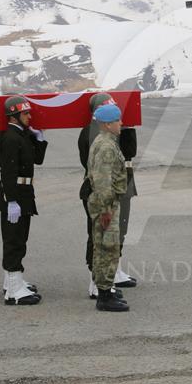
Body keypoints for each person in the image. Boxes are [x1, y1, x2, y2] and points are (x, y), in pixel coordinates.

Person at [79, 93, 138, 299]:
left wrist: (128, 128)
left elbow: (130, 152)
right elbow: (99, 174)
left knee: (116, 236)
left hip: (117, 189)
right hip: (103, 194)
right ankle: (97, 282)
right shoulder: (93, 136)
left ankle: (111, 274)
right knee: (100, 240)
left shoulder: (112, 135)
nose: (120, 122)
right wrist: (105, 205)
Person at [0, 95, 47, 305]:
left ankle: (12, 282)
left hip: (24, 192)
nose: (29, 116)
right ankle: (13, 292)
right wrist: (12, 201)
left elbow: (37, 160)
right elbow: (8, 172)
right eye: (25, 113)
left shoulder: (21, 135)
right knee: (14, 241)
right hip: (15, 193)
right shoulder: (9, 137)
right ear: (14, 116)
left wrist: (39, 139)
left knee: (19, 239)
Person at [87, 102, 129, 312]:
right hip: (106, 204)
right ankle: (104, 295)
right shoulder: (106, 146)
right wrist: (106, 209)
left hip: (107, 202)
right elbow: (102, 180)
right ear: (106, 124)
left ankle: (105, 288)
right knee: (108, 248)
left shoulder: (105, 141)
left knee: (103, 246)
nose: (121, 123)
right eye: (117, 120)